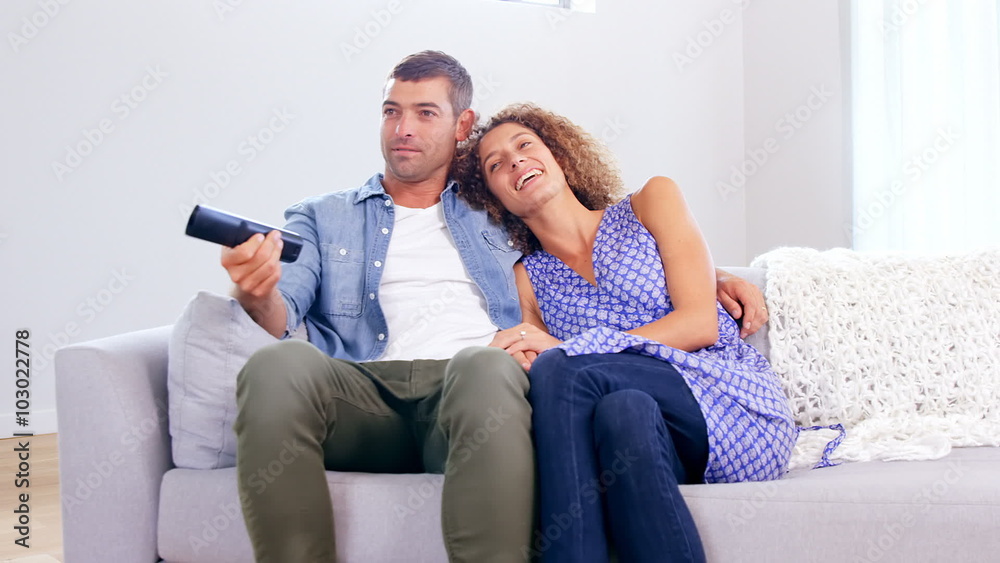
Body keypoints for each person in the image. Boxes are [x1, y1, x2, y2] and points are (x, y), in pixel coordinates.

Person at [220, 51, 769, 562]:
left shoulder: (496, 211)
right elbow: (280, 312)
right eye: (391, 112)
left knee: (494, 364)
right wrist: (256, 289)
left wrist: (714, 275)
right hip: (360, 391)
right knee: (274, 365)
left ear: (462, 127)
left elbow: (596, 236)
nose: (403, 129)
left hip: (472, 393)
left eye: (425, 113)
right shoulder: (322, 217)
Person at [456, 103, 797, 563]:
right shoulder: (527, 278)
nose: (515, 161)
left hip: (729, 402)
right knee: (623, 410)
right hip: (663, 437)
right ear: (493, 198)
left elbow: (699, 324)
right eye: (496, 165)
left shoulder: (650, 203)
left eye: (525, 146)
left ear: (558, 155)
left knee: (566, 368)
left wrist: (572, 348)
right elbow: (540, 375)